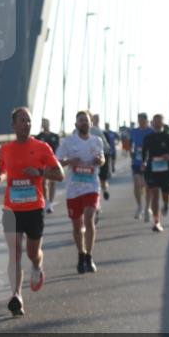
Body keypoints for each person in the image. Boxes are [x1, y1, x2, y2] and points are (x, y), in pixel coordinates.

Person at [0, 107, 64, 316]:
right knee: (14, 252)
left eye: (29, 121)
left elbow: (59, 175)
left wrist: (40, 172)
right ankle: (16, 295)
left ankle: (37, 266)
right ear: (13, 125)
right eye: (22, 121)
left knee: (33, 253)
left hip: (34, 208)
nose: (26, 124)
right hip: (11, 208)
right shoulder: (5, 149)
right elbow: (1, 172)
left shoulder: (42, 147)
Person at [57, 110, 106, 273]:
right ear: (76, 124)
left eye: (86, 120)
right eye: (81, 120)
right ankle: (81, 254)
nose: (84, 123)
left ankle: (89, 256)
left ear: (91, 124)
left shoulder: (96, 141)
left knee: (89, 218)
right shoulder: (68, 142)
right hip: (74, 188)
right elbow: (57, 161)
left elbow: (102, 159)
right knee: (77, 226)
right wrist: (70, 160)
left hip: (91, 186)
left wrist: (100, 161)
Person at [141, 113, 169, 233]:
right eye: (155, 121)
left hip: (166, 171)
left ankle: (166, 204)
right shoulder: (148, 138)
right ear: (152, 123)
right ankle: (156, 222)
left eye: (160, 121)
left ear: (163, 123)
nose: (157, 123)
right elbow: (144, 154)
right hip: (152, 170)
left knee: (165, 195)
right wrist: (143, 163)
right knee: (154, 194)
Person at [129, 113, 154, 221]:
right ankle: (139, 206)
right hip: (136, 162)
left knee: (148, 186)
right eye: (139, 120)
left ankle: (148, 208)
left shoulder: (151, 132)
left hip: (149, 162)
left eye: (142, 120)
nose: (140, 122)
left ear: (146, 120)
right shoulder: (134, 131)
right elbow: (131, 143)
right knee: (137, 184)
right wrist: (131, 150)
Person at [34, 118, 61, 213]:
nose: (45, 125)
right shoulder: (38, 137)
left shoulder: (55, 136)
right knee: (44, 182)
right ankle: (46, 201)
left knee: (53, 182)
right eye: (43, 123)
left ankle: (50, 203)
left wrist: (58, 161)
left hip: (53, 161)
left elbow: (58, 149)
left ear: (49, 124)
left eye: (46, 123)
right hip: (42, 162)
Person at [90, 113, 112, 203]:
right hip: (89, 160)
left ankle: (105, 190)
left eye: (97, 118)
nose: (96, 120)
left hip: (102, 157)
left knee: (103, 179)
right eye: (94, 118)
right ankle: (96, 201)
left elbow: (107, 146)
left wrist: (103, 156)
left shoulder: (102, 132)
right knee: (92, 181)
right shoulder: (84, 131)